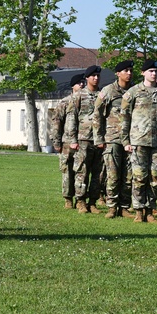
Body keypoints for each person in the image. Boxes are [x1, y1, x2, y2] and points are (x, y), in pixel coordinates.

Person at [121, 59, 157, 223]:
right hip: (138, 141)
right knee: (139, 176)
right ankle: (138, 210)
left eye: (156, 71)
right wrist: (125, 141)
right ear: (143, 73)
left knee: (156, 177)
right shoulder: (133, 92)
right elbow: (125, 118)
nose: (154, 73)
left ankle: (150, 211)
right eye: (151, 71)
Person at [95, 60, 134, 218]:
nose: (129, 73)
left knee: (128, 175)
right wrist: (99, 138)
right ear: (118, 73)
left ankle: (124, 207)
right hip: (112, 138)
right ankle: (112, 207)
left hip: (131, 139)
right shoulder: (108, 91)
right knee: (113, 174)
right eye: (125, 70)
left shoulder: (135, 91)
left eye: (131, 70)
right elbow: (97, 114)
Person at [66, 64, 105, 213]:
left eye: (98, 76)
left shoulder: (102, 95)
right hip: (83, 139)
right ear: (87, 78)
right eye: (93, 76)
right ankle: (80, 201)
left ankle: (93, 202)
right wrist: (73, 139)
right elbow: (71, 118)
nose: (96, 78)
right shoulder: (79, 95)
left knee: (97, 173)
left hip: (99, 140)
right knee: (81, 171)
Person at [52, 74, 84, 209]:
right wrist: (57, 142)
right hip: (66, 143)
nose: (81, 85)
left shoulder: (86, 101)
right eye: (79, 83)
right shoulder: (64, 102)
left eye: (83, 82)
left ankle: (80, 199)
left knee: (81, 172)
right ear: (73, 86)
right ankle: (68, 199)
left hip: (82, 142)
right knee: (67, 171)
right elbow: (56, 123)